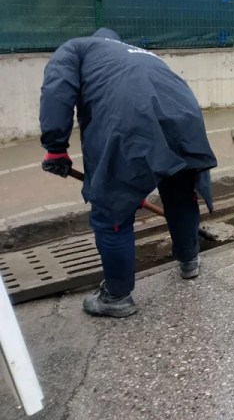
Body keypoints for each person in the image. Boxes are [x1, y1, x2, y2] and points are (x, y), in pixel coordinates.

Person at [39, 28, 218, 318]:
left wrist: (55, 147)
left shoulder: (74, 49)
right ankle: (189, 262)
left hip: (130, 123)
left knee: (112, 212)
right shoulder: (138, 53)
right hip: (185, 118)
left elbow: (56, 91)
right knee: (180, 194)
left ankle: (116, 296)